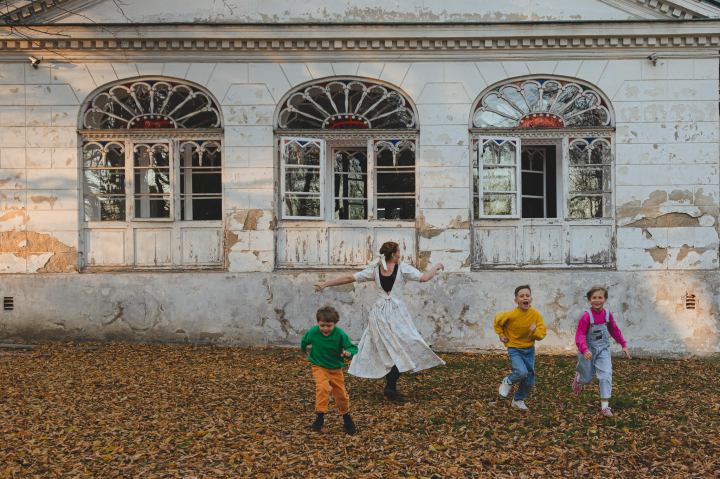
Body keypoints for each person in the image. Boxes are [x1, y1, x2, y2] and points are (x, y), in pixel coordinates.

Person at [314, 241, 445, 402]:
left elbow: (350, 277)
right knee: (403, 347)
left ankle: (390, 385)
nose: (400, 254)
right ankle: (390, 386)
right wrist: (436, 266)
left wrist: (325, 284)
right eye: (398, 252)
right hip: (395, 315)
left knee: (390, 349)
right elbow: (424, 278)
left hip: (379, 314)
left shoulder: (377, 269)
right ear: (393, 254)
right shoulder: (401, 268)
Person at [572, 286, 631, 417]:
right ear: (589, 300)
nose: (597, 300)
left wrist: (623, 345)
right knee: (587, 379)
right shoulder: (586, 316)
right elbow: (580, 335)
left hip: (603, 349)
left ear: (605, 299)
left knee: (605, 375)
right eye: (594, 298)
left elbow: (614, 330)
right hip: (587, 350)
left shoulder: (607, 315)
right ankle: (579, 377)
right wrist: (584, 349)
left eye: (600, 297)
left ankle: (605, 406)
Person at [300, 305, 358, 434]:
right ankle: (320, 417)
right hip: (319, 365)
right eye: (322, 325)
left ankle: (346, 418)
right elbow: (304, 341)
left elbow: (353, 348)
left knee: (341, 394)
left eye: (329, 325)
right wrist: (304, 352)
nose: (325, 328)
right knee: (323, 387)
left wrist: (348, 353)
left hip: (335, 368)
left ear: (335, 324)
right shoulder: (313, 332)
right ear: (318, 323)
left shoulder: (340, 334)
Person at [494, 285, 547, 411]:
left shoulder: (535, 315)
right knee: (521, 372)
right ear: (516, 300)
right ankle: (508, 380)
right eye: (521, 296)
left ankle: (518, 400)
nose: (525, 298)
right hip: (515, 348)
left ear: (531, 299)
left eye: (527, 296)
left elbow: (542, 334)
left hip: (529, 350)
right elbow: (497, 321)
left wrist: (535, 332)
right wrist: (501, 335)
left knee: (529, 379)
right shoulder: (510, 314)